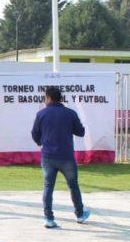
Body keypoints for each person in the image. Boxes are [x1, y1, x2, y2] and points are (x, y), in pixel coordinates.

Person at [31, 86, 90, 229]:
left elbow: (34, 133)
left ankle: (49, 219)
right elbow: (81, 132)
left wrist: (41, 143)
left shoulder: (41, 114)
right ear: (60, 98)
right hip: (67, 157)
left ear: (49, 98)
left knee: (48, 187)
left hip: (48, 157)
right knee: (73, 185)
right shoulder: (70, 113)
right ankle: (80, 215)